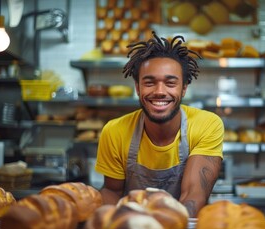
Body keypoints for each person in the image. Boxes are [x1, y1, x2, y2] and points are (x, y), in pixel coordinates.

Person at [95, 31, 224, 217]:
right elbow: (112, 191)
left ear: (184, 89)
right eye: (149, 82)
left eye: (170, 83)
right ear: (137, 88)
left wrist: (168, 227)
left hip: (183, 227)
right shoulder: (115, 130)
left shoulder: (207, 124)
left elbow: (193, 194)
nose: (160, 91)